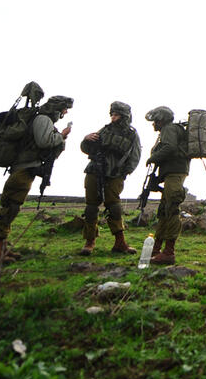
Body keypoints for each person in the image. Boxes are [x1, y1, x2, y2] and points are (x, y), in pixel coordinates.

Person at [0, 94, 73, 263]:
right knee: (10, 208)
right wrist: (61, 135)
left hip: (25, 168)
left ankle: (1, 247)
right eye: (64, 109)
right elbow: (44, 142)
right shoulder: (44, 119)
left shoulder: (43, 119)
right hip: (24, 169)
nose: (65, 112)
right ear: (59, 108)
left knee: (11, 207)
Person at [78, 101, 142, 256]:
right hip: (95, 171)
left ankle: (120, 242)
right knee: (91, 207)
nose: (113, 118)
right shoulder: (104, 131)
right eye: (112, 114)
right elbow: (87, 149)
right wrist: (86, 139)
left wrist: (124, 172)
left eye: (117, 115)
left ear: (124, 116)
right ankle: (90, 241)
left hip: (115, 174)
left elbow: (135, 157)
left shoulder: (132, 134)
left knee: (114, 207)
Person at [142, 106, 188, 265]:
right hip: (171, 172)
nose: (153, 124)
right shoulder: (169, 130)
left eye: (155, 120)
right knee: (164, 210)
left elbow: (170, 148)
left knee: (172, 209)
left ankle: (169, 252)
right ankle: (156, 249)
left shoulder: (169, 129)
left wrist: (153, 158)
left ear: (161, 119)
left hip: (175, 172)